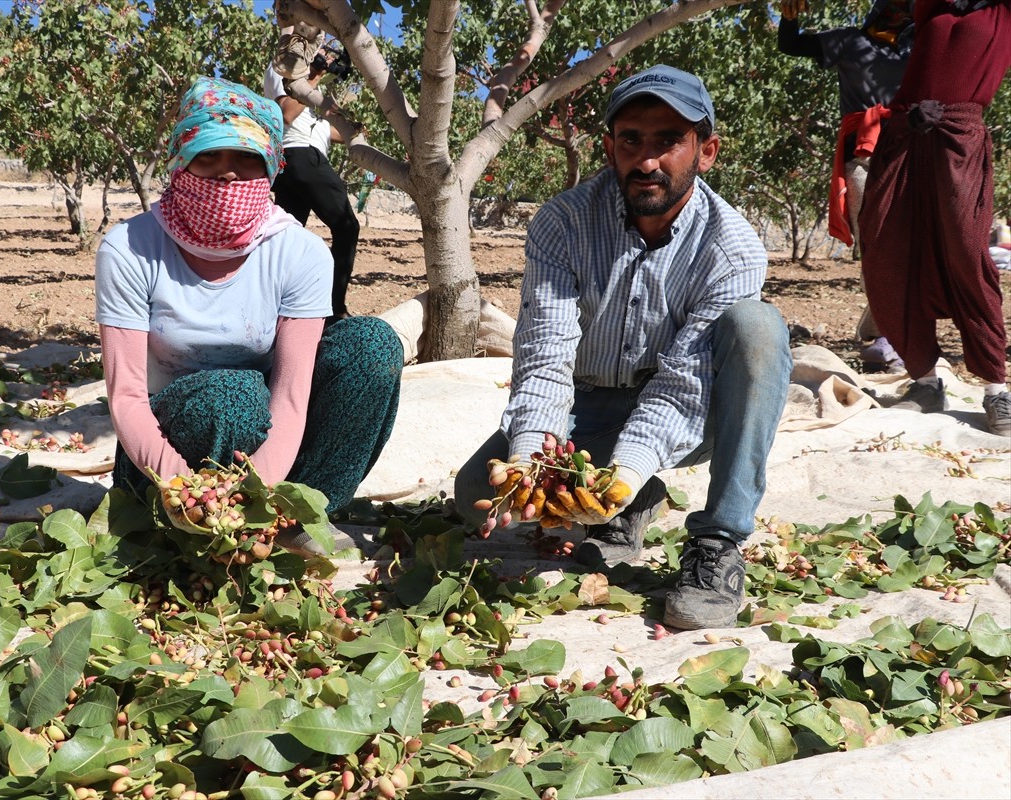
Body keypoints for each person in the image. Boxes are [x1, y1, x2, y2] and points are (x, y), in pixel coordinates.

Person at [453, 65, 793, 631]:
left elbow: (683, 384)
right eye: (631, 140)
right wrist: (531, 460)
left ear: (706, 152)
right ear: (609, 149)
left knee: (758, 329)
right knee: (476, 496)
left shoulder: (732, 246)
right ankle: (635, 501)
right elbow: (545, 353)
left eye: (669, 141)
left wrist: (626, 470)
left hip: (697, 406)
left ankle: (718, 542)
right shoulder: (563, 222)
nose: (647, 161)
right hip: (587, 404)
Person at [95, 77, 403, 553]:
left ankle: (293, 518)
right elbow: (127, 397)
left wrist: (258, 500)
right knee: (233, 395)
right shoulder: (130, 248)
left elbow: (291, 396)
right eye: (208, 155)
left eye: (245, 157)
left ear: (271, 165)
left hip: (267, 440)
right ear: (181, 159)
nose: (227, 173)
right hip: (162, 456)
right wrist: (183, 490)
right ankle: (183, 525)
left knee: (373, 346)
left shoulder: (300, 253)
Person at [857, 0, 1011, 436]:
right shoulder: (930, 6)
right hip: (906, 133)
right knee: (887, 252)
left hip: (959, 139)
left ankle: (996, 390)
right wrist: (906, 117)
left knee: (967, 256)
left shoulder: (1001, 11)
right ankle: (925, 382)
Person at [777, 0, 915, 371]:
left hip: (906, 155)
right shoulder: (850, 41)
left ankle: (878, 333)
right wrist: (789, 17)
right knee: (876, 246)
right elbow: (792, 44)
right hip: (863, 159)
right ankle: (885, 337)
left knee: (906, 247)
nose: (900, 12)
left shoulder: (917, 48)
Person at [264, 48, 360, 321]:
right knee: (347, 227)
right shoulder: (284, 68)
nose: (326, 58)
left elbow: (330, 131)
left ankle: (277, 308)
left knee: (287, 238)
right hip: (302, 155)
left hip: (293, 165)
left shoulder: (312, 101)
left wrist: (354, 127)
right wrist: (314, 77)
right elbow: (286, 114)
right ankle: (334, 309)